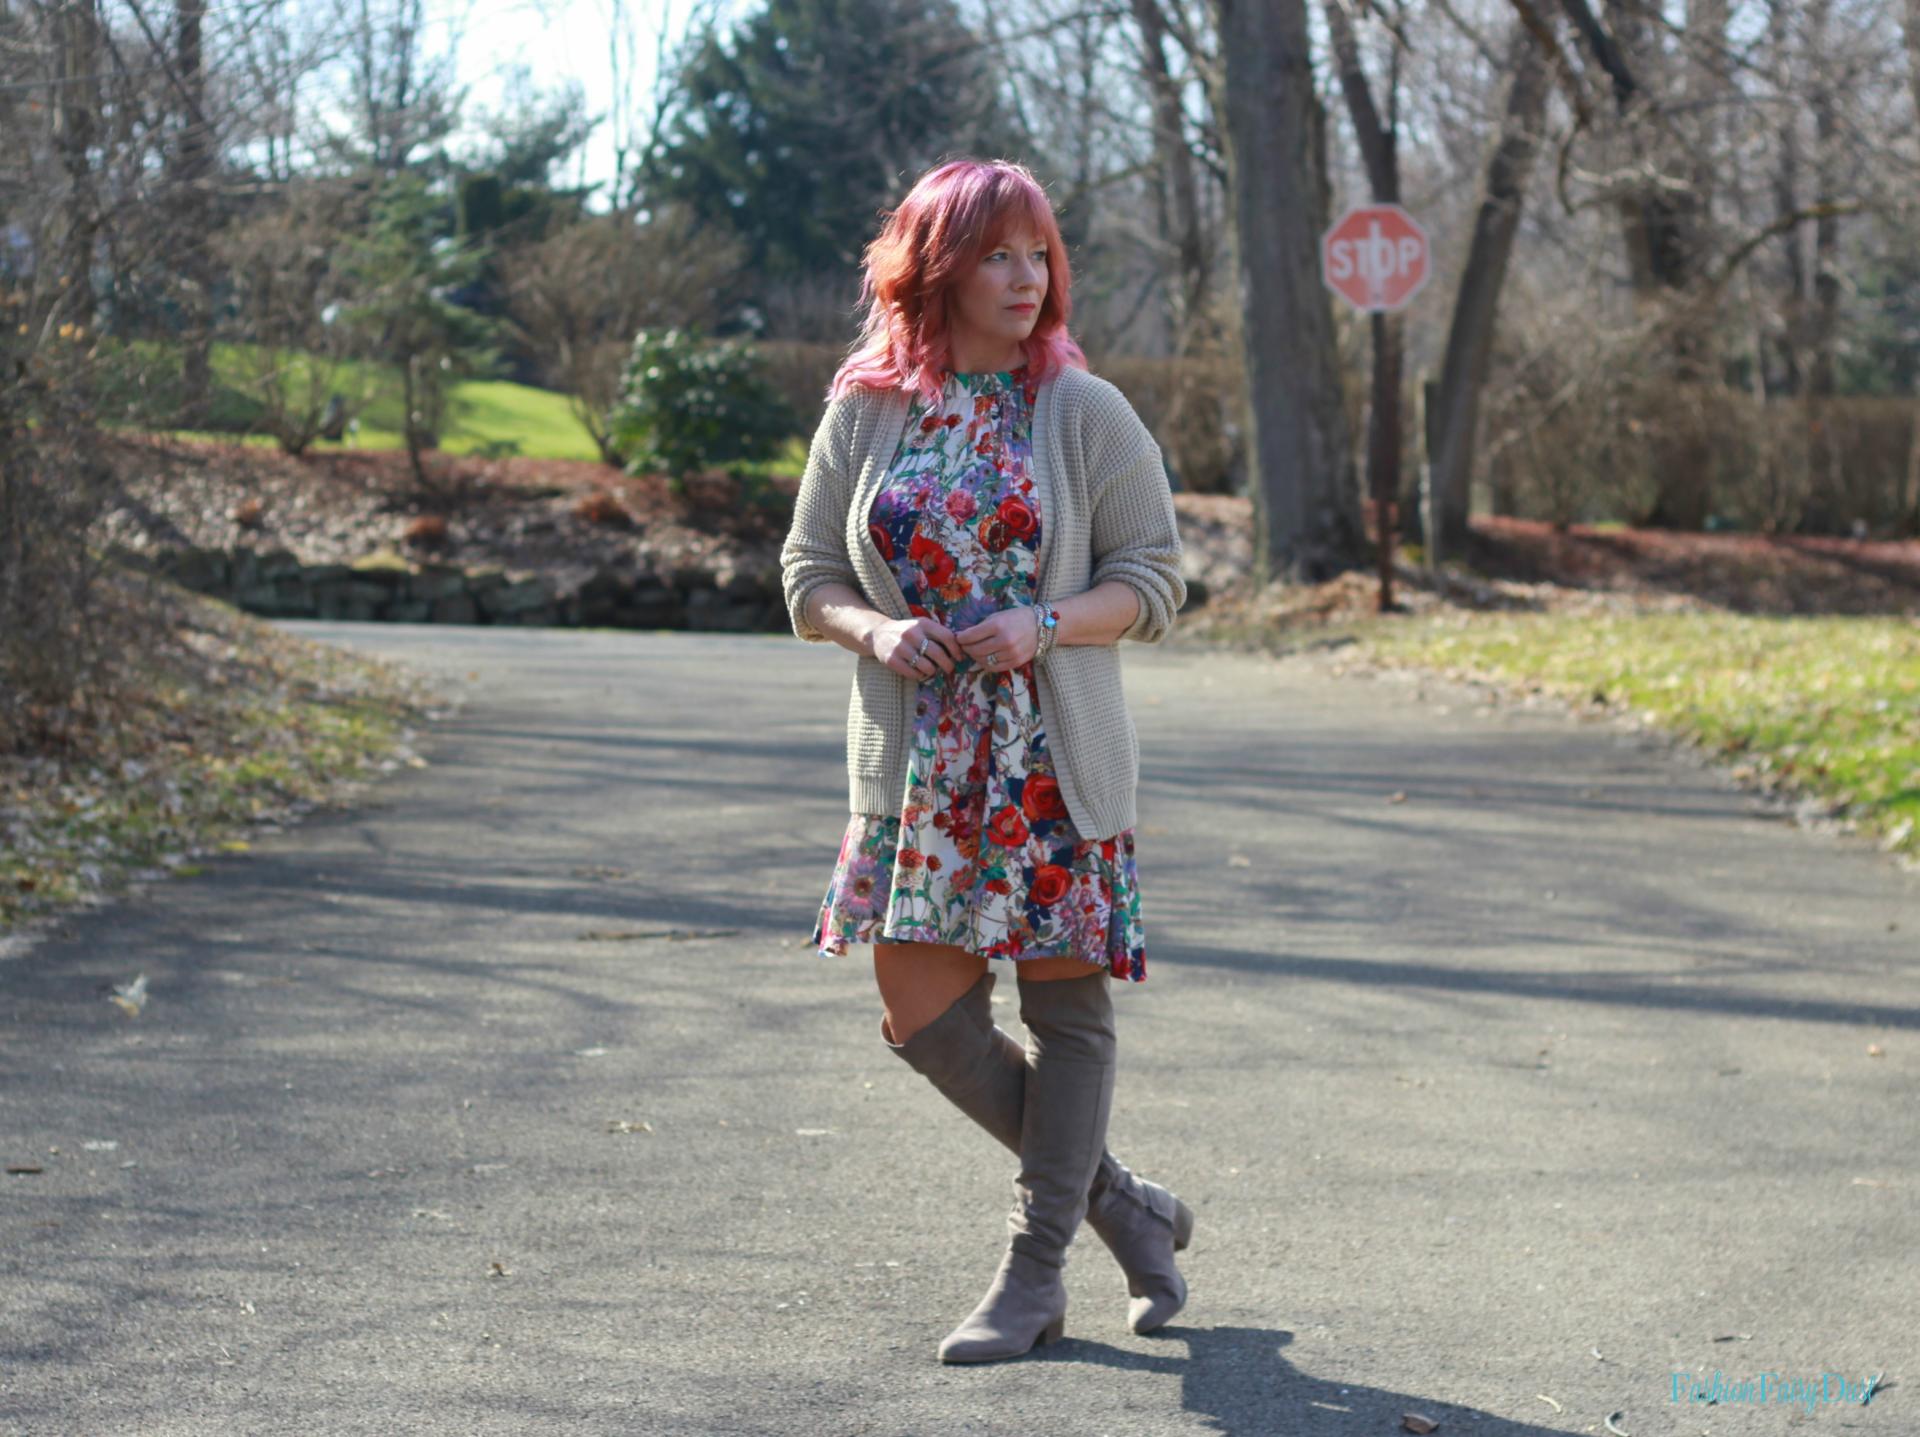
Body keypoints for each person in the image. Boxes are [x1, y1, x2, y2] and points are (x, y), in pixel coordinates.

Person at [778, 156, 1192, 1364]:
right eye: (999, 255)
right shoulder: (865, 408)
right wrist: (877, 627)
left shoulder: (1083, 409)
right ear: (938, 266)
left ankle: (1034, 1269)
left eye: (1039, 253)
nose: (1028, 278)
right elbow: (809, 576)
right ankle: (1125, 1204)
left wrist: (1046, 623)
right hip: (922, 760)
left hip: (1051, 751)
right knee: (920, 1011)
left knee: (1066, 1011)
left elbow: (1156, 581)